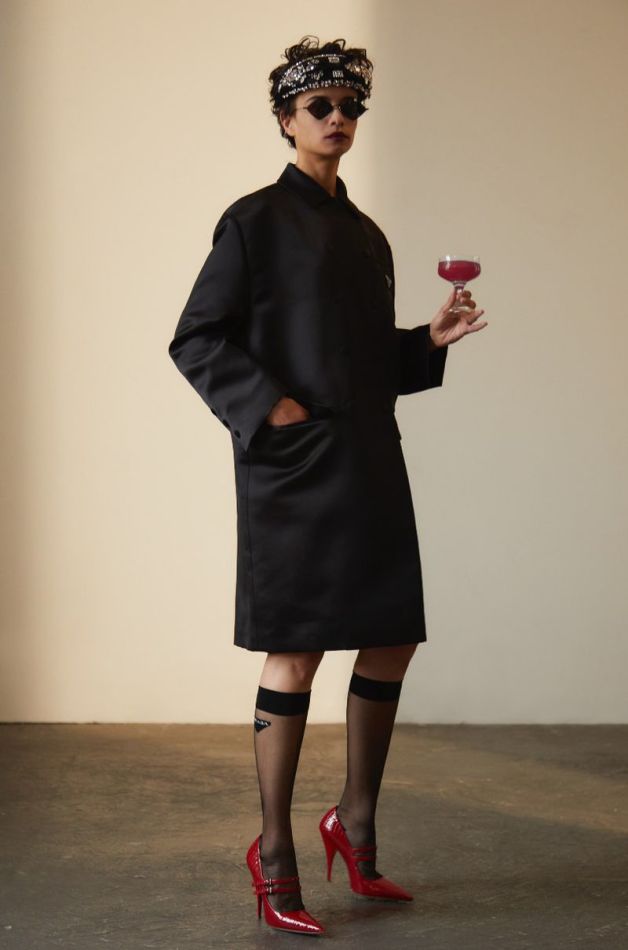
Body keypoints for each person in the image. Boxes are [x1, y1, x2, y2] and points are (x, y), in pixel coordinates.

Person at [168, 35, 487, 937]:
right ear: (286, 119)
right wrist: (268, 408)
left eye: (350, 106)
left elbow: (359, 358)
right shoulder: (254, 221)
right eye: (320, 106)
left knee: (391, 639)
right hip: (295, 472)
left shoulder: (366, 234)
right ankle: (274, 851)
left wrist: (425, 343)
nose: (338, 118)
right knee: (297, 651)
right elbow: (196, 337)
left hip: (369, 460)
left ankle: (356, 822)